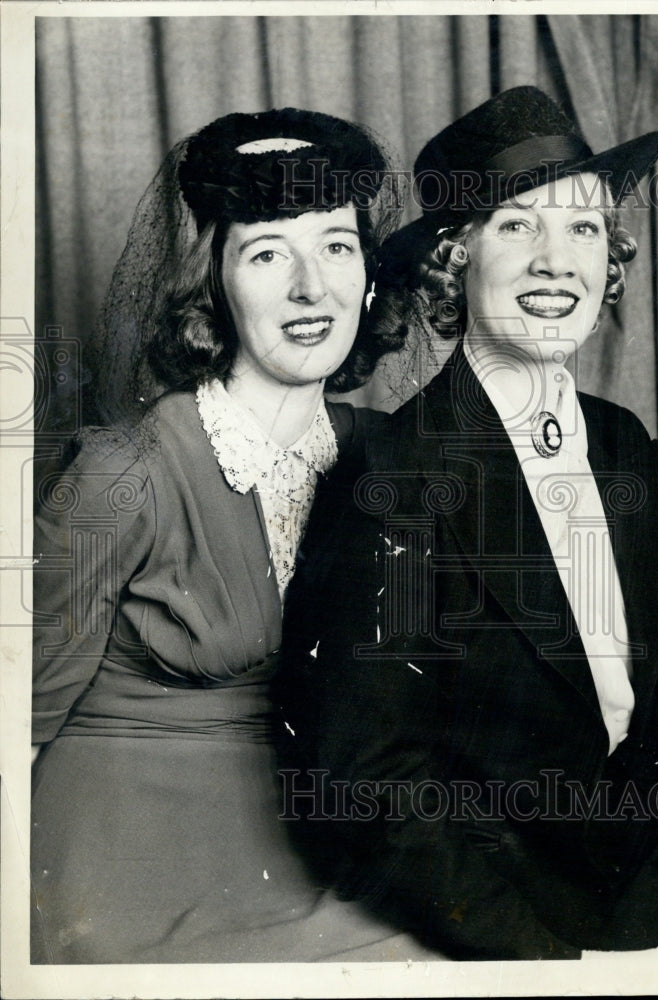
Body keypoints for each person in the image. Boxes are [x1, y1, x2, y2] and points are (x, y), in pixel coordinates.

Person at [280, 87, 658, 960]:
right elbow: (374, 782)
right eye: (518, 226)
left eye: (585, 230)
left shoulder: (622, 441)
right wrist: (544, 965)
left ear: (611, 263)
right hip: (513, 910)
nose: (557, 263)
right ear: (455, 261)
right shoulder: (394, 473)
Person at [30, 107, 431, 964]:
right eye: (265, 252)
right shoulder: (120, 473)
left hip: (312, 834)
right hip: (125, 849)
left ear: (368, 275)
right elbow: (12, 715)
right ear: (211, 282)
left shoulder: (389, 459)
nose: (309, 288)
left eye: (334, 245)